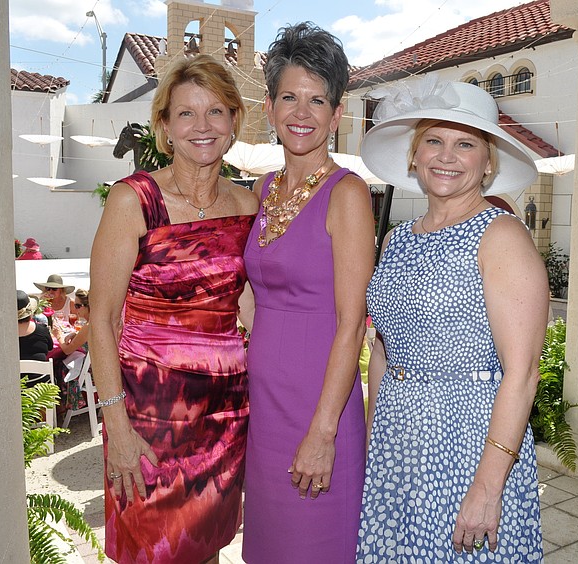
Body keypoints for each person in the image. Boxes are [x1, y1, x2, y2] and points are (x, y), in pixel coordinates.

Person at [357, 77, 546, 561]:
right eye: (434, 141)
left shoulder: (502, 236)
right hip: (398, 445)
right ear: (414, 156)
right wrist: (376, 437)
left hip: (468, 444)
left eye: (465, 144)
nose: (447, 156)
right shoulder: (398, 238)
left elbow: (522, 375)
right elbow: (383, 348)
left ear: (487, 163)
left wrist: (487, 487)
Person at [89, 54, 258, 564]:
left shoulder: (249, 207)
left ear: (233, 122)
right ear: (164, 126)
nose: (201, 126)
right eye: (186, 114)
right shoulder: (133, 200)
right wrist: (115, 423)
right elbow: (102, 319)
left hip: (225, 412)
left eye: (215, 112)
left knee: (205, 549)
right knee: (151, 551)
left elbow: (249, 308)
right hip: (147, 415)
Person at [240, 22, 374, 563]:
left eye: (318, 99)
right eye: (290, 97)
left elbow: (352, 322)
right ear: (269, 107)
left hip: (322, 405)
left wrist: (324, 433)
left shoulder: (348, 195)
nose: (302, 112)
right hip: (264, 406)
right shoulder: (261, 190)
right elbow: (249, 298)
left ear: (337, 114)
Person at [51, 288, 92, 410]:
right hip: (98, 366)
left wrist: (58, 336)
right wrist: (76, 335)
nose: (76, 308)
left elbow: (67, 350)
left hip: (90, 372)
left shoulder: (88, 326)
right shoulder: (94, 322)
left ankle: (62, 406)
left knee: (59, 364)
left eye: (78, 306)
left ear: (88, 306)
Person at [18, 290, 53, 386]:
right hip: (42, 387)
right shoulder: (42, 331)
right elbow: (50, 348)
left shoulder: (5, 337)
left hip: (15, 386)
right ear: (30, 313)